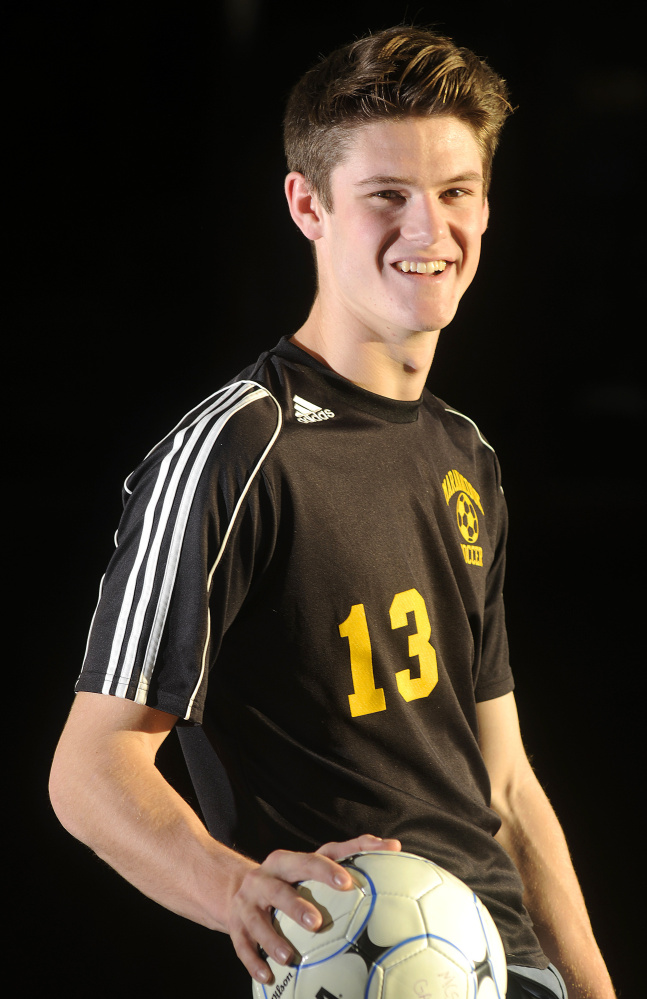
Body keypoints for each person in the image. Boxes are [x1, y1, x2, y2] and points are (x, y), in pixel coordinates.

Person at [49, 26, 615, 999]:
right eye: (385, 197)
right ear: (306, 204)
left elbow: (508, 791)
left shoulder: (461, 454)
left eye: (455, 193)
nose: (429, 232)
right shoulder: (234, 450)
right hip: (363, 969)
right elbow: (90, 767)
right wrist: (237, 892)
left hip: (512, 970)